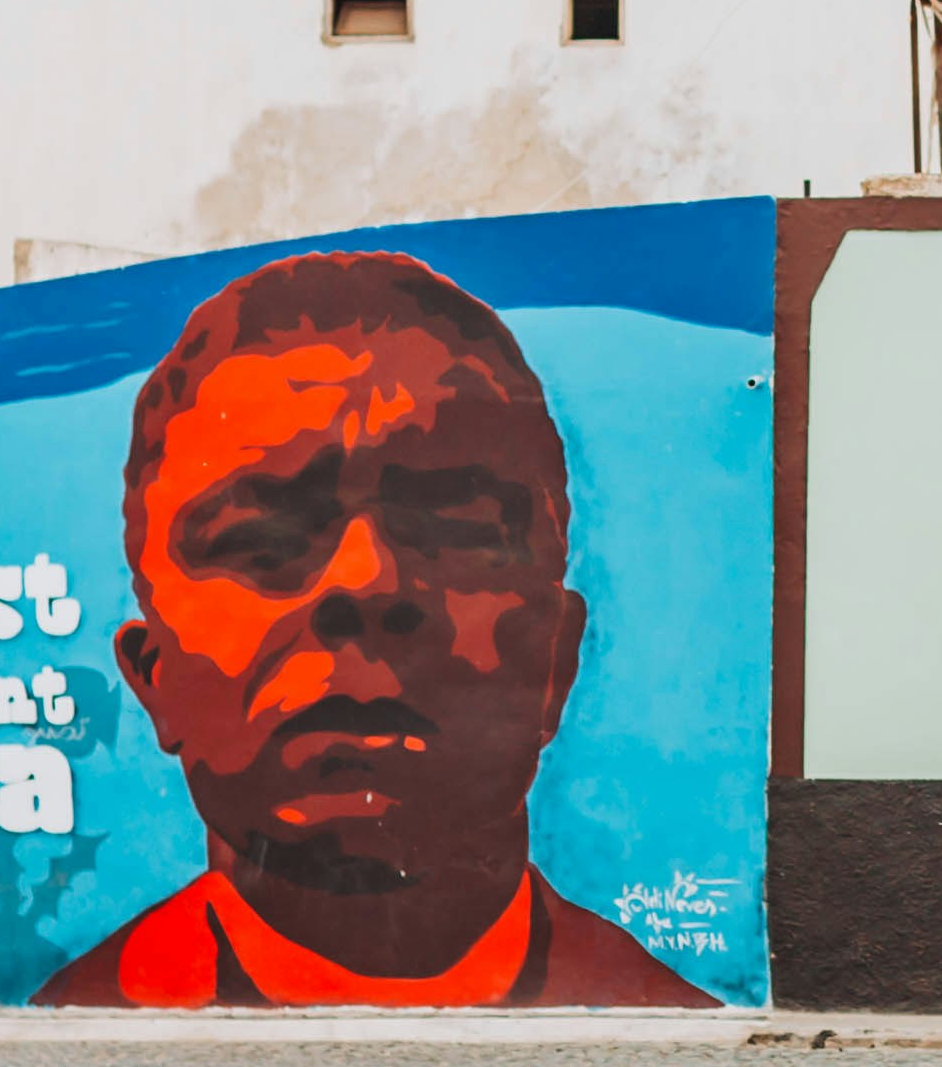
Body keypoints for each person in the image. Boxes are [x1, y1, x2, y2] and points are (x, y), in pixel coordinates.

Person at [37, 250, 712, 1008]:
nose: (366, 580)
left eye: (453, 527)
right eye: (262, 542)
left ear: (555, 655)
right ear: (153, 674)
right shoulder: (58, 1037)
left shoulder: (673, 1030)